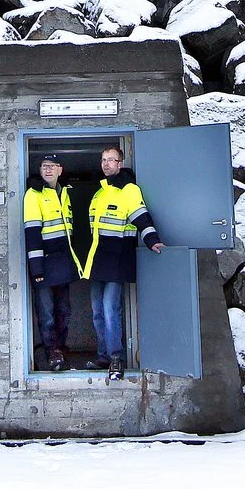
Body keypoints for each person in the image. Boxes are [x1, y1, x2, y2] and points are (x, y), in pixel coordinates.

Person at [80, 144, 164, 379]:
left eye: (111, 160)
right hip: (97, 260)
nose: (106, 164)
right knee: (97, 311)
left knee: (110, 309)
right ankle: (103, 356)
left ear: (120, 163)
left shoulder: (129, 189)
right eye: (103, 160)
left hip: (117, 259)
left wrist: (152, 240)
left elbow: (141, 217)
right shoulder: (100, 192)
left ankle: (116, 358)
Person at [22, 153, 79, 371]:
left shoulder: (65, 192)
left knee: (64, 310)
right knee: (46, 313)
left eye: (52, 166)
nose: (48, 170)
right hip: (44, 263)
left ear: (60, 170)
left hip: (63, 262)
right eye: (44, 166)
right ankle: (52, 351)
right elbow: (32, 232)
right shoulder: (34, 194)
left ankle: (61, 348)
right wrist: (36, 268)